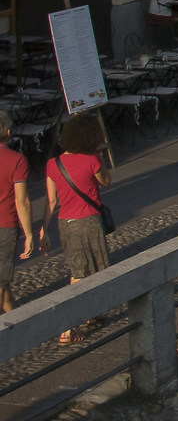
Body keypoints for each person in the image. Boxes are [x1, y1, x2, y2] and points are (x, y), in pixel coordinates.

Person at [46, 109, 110, 342]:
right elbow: (106, 181)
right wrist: (99, 158)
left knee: (80, 270)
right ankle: (67, 327)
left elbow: (51, 201)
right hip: (89, 220)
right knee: (84, 274)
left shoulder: (53, 163)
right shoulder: (92, 160)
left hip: (66, 223)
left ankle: (91, 313)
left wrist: (43, 230)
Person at [0, 112, 33, 311]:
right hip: (5, 224)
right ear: (9, 132)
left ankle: (13, 315)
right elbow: (22, 202)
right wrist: (29, 234)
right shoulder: (17, 160)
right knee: (2, 280)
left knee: (3, 281)